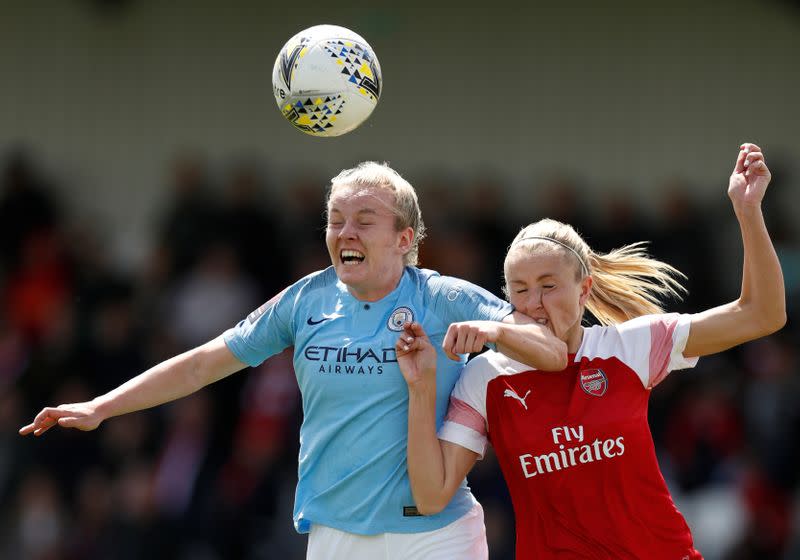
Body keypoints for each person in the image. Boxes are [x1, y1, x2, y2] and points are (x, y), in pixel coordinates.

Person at [20, 161, 566, 560]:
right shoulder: (307, 299)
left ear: (404, 239)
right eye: (336, 220)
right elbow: (201, 365)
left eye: (364, 220)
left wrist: (495, 328)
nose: (345, 232)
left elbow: (552, 349)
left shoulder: (445, 298)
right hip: (331, 535)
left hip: (433, 536)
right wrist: (101, 407)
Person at [395, 143, 785, 559]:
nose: (535, 304)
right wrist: (421, 389)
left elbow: (761, 314)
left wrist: (747, 211)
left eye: (549, 285)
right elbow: (432, 495)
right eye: (521, 290)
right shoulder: (484, 379)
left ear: (584, 290)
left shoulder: (631, 345)